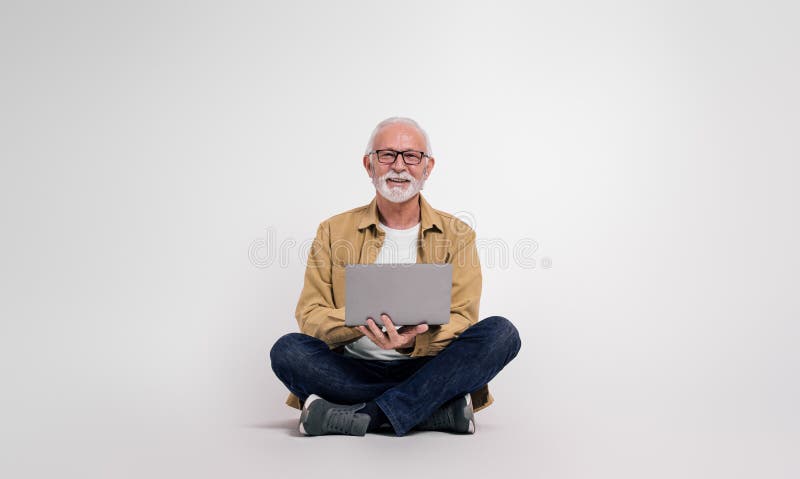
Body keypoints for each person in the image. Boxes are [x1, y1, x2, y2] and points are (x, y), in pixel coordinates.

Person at [269, 117, 521, 437]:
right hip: (352, 369)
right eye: (387, 154)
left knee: (502, 333)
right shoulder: (332, 231)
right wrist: (360, 321)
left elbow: (463, 319)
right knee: (288, 351)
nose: (399, 166)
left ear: (427, 168)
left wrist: (411, 341)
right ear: (369, 165)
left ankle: (370, 414)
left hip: (429, 366)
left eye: (411, 156)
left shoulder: (458, 235)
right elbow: (309, 316)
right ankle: (429, 409)